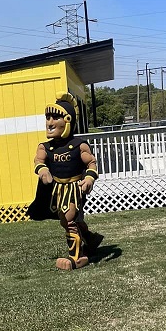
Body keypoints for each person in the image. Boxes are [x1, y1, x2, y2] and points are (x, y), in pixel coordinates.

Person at [27, 92, 103, 270]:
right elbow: (38, 161)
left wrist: (89, 179)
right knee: (66, 220)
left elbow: (92, 163)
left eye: (55, 117)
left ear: (67, 120)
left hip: (74, 188)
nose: (50, 122)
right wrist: (43, 170)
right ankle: (90, 238)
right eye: (48, 117)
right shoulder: (45, 147)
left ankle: (76, 257)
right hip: (55, 190)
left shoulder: (79, 145)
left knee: (69, 219)